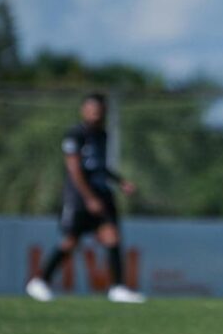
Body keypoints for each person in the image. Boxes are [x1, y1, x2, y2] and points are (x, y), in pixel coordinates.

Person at [26, 93, 146, 304]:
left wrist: (120, 182)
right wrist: (89, 197)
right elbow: (74, 169)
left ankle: (118, 288)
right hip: (79, 197)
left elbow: (99, 166)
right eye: (91, 109)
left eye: (99, 109)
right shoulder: (74, 134)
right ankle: (40, 281)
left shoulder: (103, 135)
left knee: (112, 237)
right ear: (83, 110)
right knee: (70, 242)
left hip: (101, 194)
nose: (96, 113)